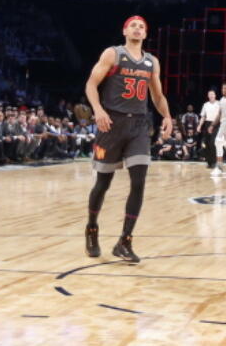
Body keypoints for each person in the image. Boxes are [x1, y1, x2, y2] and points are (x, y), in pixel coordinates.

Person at [84, 15, 175, 264]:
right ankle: (92, 228)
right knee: (103, 183)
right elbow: (91, 84)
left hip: (138, 125)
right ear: (125, 30)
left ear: (146, 34)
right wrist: (98, 110)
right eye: (133, 25)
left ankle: (125, 240)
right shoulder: (112, 54)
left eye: (142, 26)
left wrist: (167, 116)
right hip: (111, 123)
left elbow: (157, 96)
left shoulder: (151, 62)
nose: (137, 29)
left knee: (139, 180)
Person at [197, 90, 220, 172]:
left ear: (215, 95)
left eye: (213, 94)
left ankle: (215, 162)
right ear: (208, 96)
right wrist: (199, 126)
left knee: (213, 143)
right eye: (210, 94)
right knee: (207, 144)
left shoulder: (219, 104)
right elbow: (203, 116)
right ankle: (209, 162)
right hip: (207, 123)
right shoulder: (205, 105)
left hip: (216, 124)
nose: (211, 95)